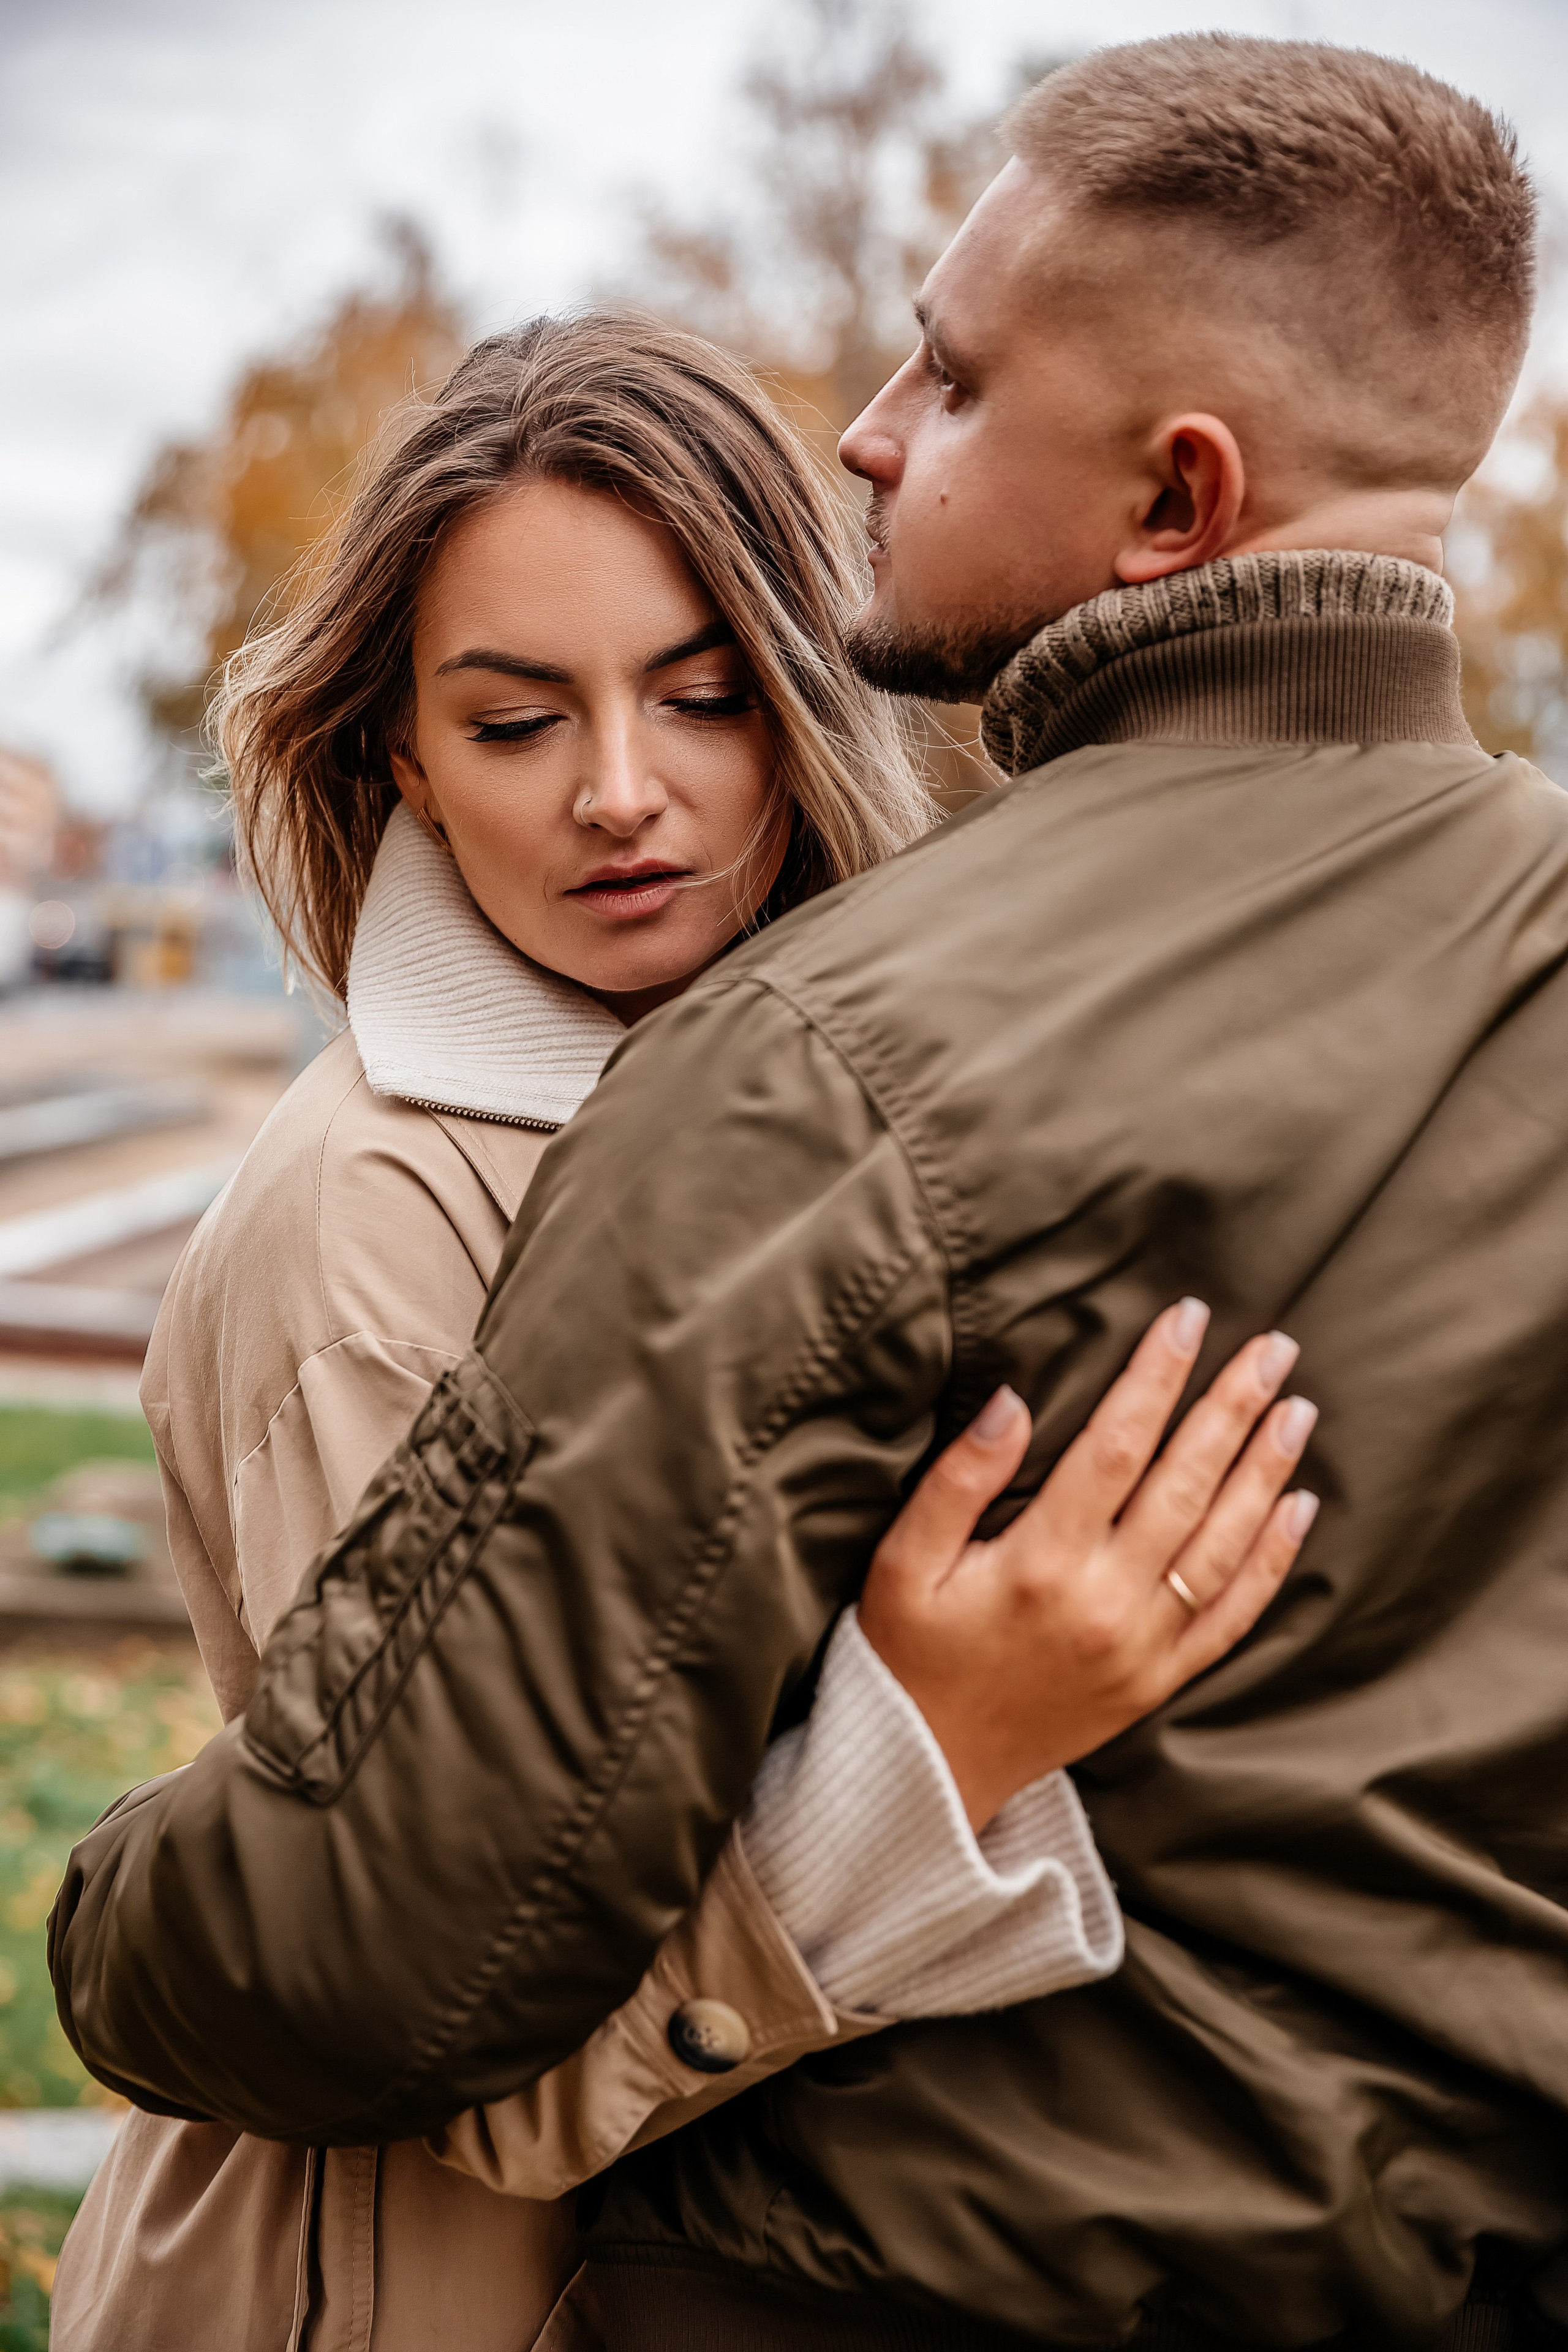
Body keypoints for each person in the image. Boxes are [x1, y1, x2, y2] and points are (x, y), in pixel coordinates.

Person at [50, 28, 1568, 2347]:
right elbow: (428, 2010)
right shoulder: (371, 1212)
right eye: (517, 717)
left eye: (706, 690)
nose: (625, 795)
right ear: (403, 764)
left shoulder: (848, 1075)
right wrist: (918, 1763)